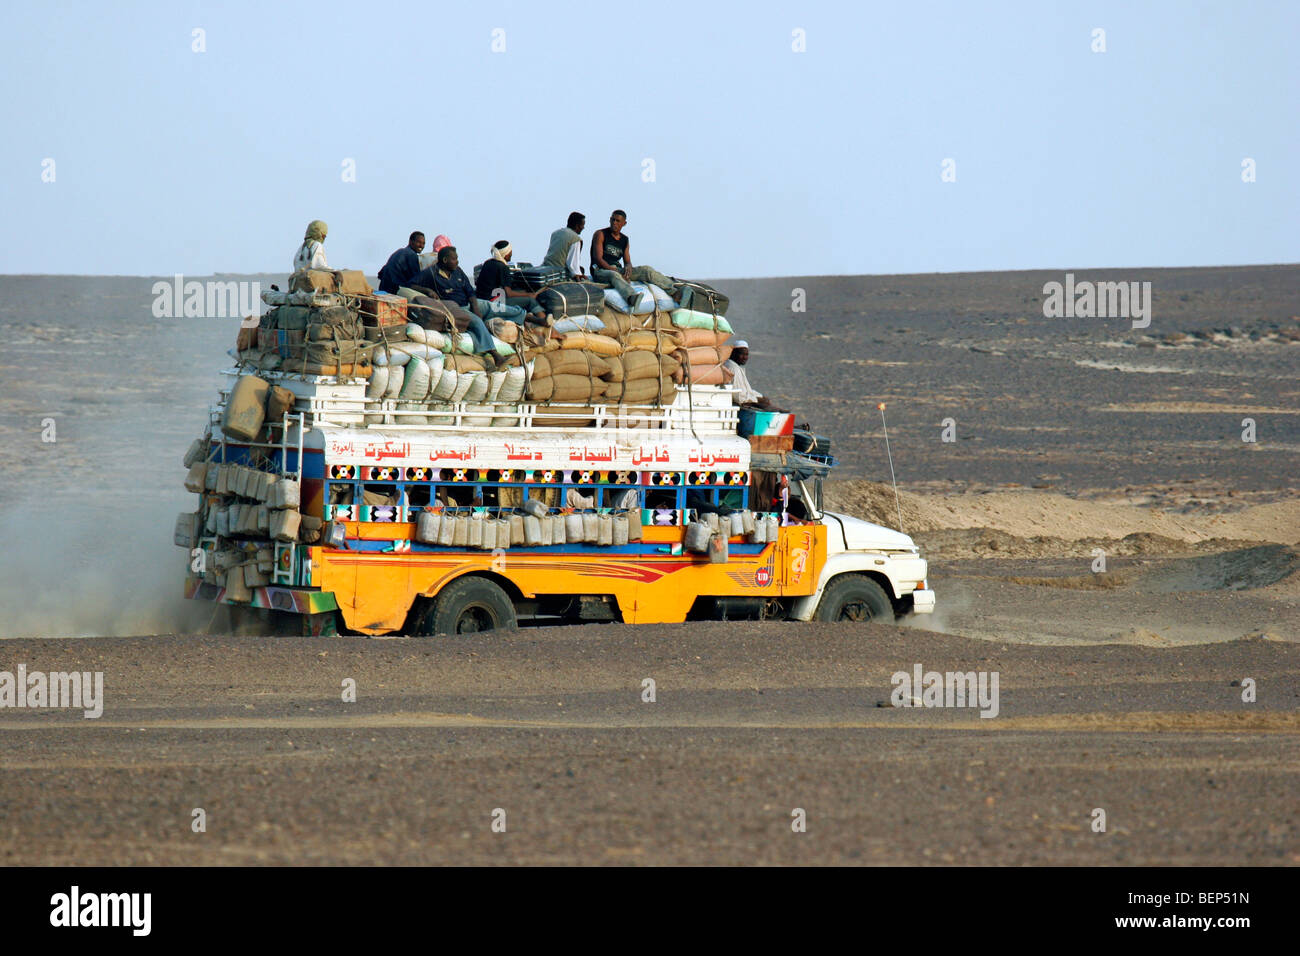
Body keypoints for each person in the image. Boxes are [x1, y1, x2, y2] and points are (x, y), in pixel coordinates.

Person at [407, 247, 497, 355]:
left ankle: (522, 315)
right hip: (457, 309)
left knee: (495, 307)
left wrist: (475, 307)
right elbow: (410, 284)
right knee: (477, 322)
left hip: (470, 303)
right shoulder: (431, 273)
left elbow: (469, 290)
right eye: (454, 259)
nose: (457, 261)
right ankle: (495, 354)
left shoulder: (458, 271)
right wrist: (428, 291)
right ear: (445, 260)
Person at [590, 210, 676, 310]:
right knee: (615, 275)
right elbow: (598, 259)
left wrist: (628, 269)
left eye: (618, 221)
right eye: (612, 220)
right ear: (609, 220)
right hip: (601, 271)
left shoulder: (624, 239)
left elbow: (627, 261)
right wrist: (616, 271)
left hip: (617, 269)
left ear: (624, 223)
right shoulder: (600, 234)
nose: (614, 223)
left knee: (646, 270)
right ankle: (631, 297)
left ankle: (674, 291)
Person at [476, 241, 552, 325]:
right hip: (494, 303)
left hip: (483, 302)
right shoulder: (503, 267)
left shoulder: (488, 263)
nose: (511, 253)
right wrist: (529, 295)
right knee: (531, 301)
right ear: (506, 253)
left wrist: (523, 293)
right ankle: (548, 327)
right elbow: (509, 294)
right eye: (510, 251)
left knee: (523, 294)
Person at [722, 341, 772, 408]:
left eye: (746, 355)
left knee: (766, 400)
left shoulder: (737, 366)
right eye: (742, 354)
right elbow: (739, 396)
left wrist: (761, 397)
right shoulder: (733, 368)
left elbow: (747, 390)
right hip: (740, 402)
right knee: (769, 406)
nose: (745, 357)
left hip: (744, 398)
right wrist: (757, 400)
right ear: (733, 354)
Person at [543, 212, 587, 279]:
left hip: (546, 267)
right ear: (577, 225)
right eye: (582, 225)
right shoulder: (575, 239)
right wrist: (578, 275)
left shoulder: (556, 233)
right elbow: (572, 263)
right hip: (559, 272)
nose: (583, 227)